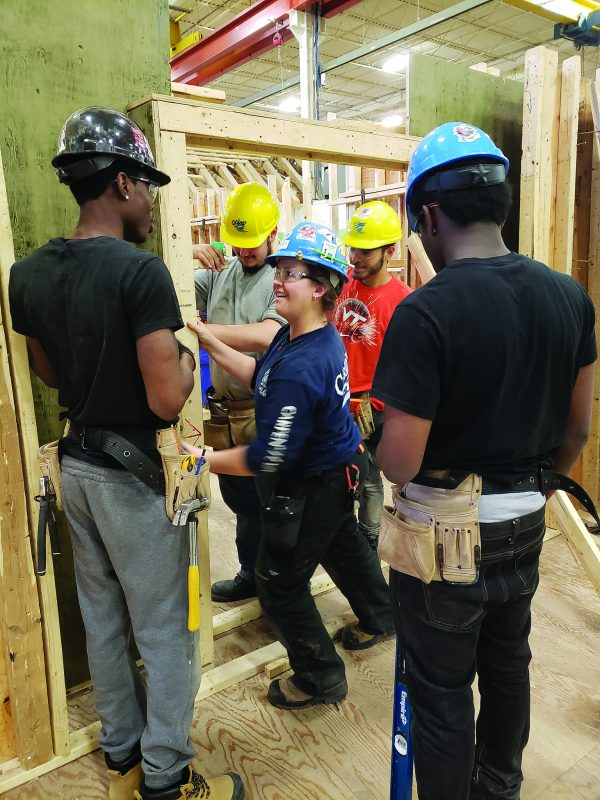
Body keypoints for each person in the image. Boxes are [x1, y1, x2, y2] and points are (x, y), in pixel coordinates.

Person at [9, 107, 244, 800]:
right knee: (168, 629)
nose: (151, 200)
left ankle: (122, 759)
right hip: (134, 478)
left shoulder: (28, 275)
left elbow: (49, 375)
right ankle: (167, 780)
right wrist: (179, 347)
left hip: (75, 470)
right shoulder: (139, 276)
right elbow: (169, 398)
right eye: (147, 185)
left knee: (103, 617)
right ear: (119, 183)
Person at [372, 122, 596, 800]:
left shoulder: (426, 313)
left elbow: (401, 465)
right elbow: (579, 433)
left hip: (445, 539)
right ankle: (500, 786)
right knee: (508, 661)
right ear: (502, 202)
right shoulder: (569, 297)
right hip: (528, 522)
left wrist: (375, 435)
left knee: (440, 691)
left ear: (430, 215)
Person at [184, 222, 394, 709]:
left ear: (320, 287)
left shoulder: (304, 366)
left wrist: (203, 460)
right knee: (344, 546)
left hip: (315, 482)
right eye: (280, 270)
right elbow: (260, 373)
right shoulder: (299, 336)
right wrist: (207, 338)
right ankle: (384, 617)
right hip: (341, 468)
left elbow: (264, 459)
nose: (278, 280)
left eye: (291, 274)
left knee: (277, 584)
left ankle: (321, 676)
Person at [193, 182, 285, 603]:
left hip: (261, 410)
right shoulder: (221, 273)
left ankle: (278, 585)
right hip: (224, 414)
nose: (244, 253)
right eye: (238, 244)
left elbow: (267, 335)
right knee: (241, 502)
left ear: (272, 234)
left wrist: (203, 332)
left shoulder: (281, 278)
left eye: (252, 245)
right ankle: (252, 575)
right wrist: (189, 254)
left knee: (270, 502)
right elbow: (159, 278)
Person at [336, 201, 411, 550]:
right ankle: (344, 542)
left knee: (368, 480)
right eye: (353, 248)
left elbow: (406, 363)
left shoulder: (403, 301)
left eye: (365, 251)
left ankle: (368, 542)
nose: (355, 257)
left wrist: (378, 403)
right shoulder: (342, 283)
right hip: (336, 400)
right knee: (339, 477)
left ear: (390, 250)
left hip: (372, 406)